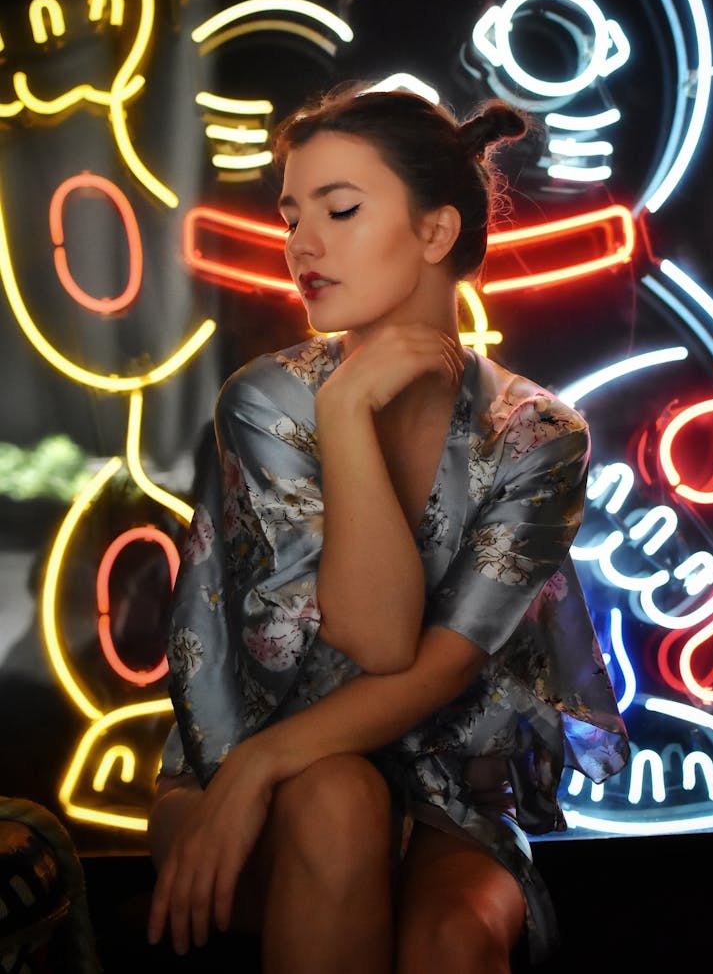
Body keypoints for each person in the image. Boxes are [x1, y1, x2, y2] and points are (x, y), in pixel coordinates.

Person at [147, 84, 630, 974]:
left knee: (449, 941)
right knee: (339, 803)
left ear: (436, 233)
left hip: (449, 785)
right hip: (257, 763)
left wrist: (354, 409)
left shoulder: (538, 436)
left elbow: (435, 661)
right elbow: (369, 638)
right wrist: (344, 411)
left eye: (338, 209)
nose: (301, 244)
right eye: (292, 215)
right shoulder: (267, 402)